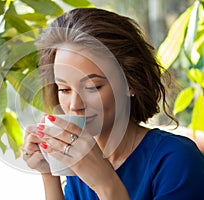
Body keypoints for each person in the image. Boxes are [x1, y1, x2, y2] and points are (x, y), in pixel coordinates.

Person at [22, 8, 204, 200]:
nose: (75, 105)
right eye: (64, 89)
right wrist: (49, 172)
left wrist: (105, 183)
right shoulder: (80, 161)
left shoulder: (176, 160)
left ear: (130, 82)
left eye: (92, 87)